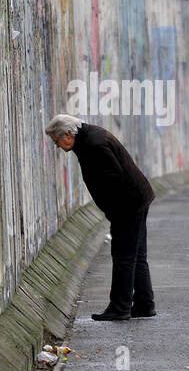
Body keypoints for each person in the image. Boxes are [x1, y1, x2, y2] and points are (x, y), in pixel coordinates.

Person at [45, 113, 155, 321]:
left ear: (67, 134)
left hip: (128, 204)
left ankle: (120, 307)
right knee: (136, 255)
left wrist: (114, 211)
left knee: (123, 256)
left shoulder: (93, 144)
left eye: (57, 141)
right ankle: (144, 304)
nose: (57, 146)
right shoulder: (88, 138)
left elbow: (115, 178)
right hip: (137, 197)